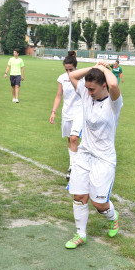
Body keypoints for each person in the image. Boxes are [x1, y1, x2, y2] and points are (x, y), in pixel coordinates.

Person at [64, 62, 123, 249]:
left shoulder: (114, 103)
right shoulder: (86, 94)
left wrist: (104, 70)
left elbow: (114, 85)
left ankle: (113, 217)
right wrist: (94, 66)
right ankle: (80, 234)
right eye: (87, 88)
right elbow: (72, 76)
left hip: (104, 159)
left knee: (99, 204)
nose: (89, 92)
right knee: (79, 196)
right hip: (85, 154)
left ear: (103, 85)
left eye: (93, 89)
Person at [49, 51, 83, 181]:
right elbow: (59, 96)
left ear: (76, 67)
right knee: (70, 140)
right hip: (66, 113)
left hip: (79, 112)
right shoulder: (62, 78)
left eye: (71, 69)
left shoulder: (83, 77)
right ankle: (73, 164)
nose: (69, 72)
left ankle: (73, 167)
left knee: (74, 138)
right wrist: (53, 112)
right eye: (67, 69)